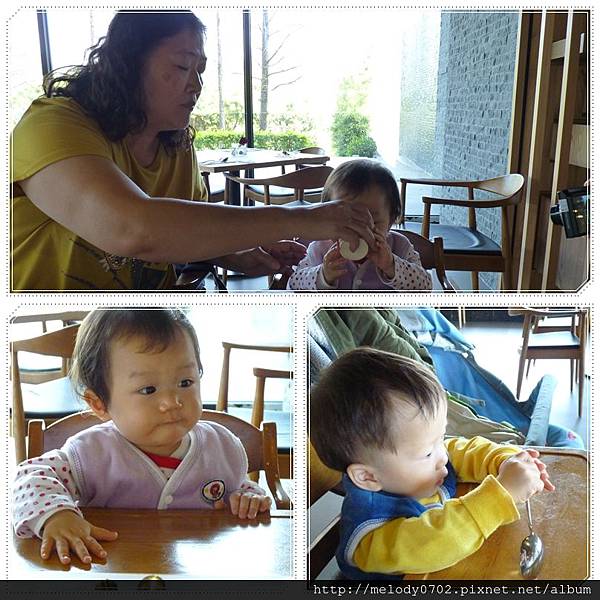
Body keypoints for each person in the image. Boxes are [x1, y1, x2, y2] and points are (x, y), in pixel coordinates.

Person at [11, 11, 375, 291]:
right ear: (128, 63)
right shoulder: (52, 125)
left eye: (200, 70)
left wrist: (240, 253)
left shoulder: (176, 144)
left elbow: (181, 233)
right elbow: (133, 229)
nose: (196, 84)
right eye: (183, 66)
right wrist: (302, 217)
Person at [12, 309, 271, 565]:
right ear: (99, 403)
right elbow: (29, 477)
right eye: (148, 389)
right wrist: (57, 516)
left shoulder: (222, 447)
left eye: (185, 382)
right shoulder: (90, 454)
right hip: (114, 570)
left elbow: (237, 487)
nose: (172, 402)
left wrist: (249, 498)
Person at [310, 348, 555, 579]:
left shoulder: (421, 464)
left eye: (441, 437)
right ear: (368, 477)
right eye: (428, 451)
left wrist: (506, 462)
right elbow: (438, 541)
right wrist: (501, 495)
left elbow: (464, 450)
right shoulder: (369, 537)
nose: (443, 457)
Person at [287, 159, 432, 291]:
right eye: (344, 220)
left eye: (373, 222)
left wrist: (391, 266)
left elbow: (426, 287)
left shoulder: (400, 247)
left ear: (391, 220)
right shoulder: (319, 250)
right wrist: (323, 275)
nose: (358, 231)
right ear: (327, 217)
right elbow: (292, 285)